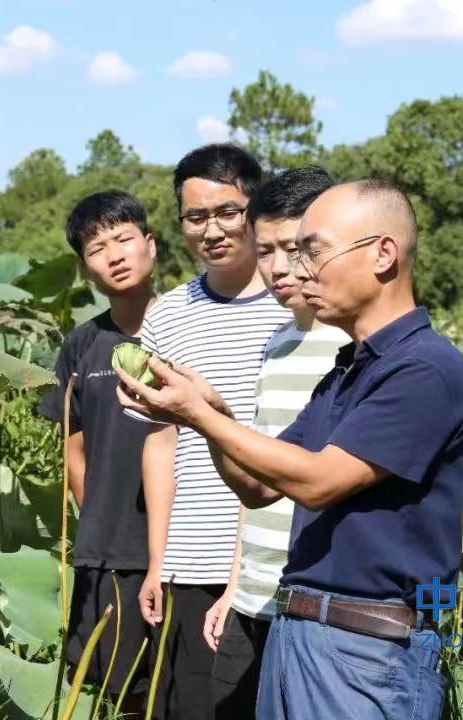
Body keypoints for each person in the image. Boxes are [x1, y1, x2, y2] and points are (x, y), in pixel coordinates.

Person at [117, 179, 463, 720]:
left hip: (365, 650)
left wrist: (198, 416)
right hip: (301, 633)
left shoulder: (423, 369)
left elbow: (318, 482)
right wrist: (212, 416)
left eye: (314, 251)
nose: (298, 269)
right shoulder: (346, 371)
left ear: (384, 253)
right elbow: (259, 487)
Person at [132, 144, 290, 719]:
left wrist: (238, 578)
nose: (212, 229)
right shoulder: (168, 314)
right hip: (186, 561)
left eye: (228, 211)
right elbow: (160, 438)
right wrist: (158, 561)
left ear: (256, 209)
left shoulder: (294, 308)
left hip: (270, 562)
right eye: (196, 217)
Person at [203, 167, 349, 720]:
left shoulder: (352, 345)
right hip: (251, 594)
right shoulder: (277, 342)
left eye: (294, 248)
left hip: (316, 604)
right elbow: (257, 473)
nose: (279, 268)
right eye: (265, 251)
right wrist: (232, 586)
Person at [37, 190, 158, 711]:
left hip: (194, 546)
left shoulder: (188, 328)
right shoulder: (82, 345)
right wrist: (98, 514)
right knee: (119, 689)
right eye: (96, 248)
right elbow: (73, 445)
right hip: (109, 548)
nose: (114, 254)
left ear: (150, 245)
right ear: (85, 269)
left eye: (124, 239)